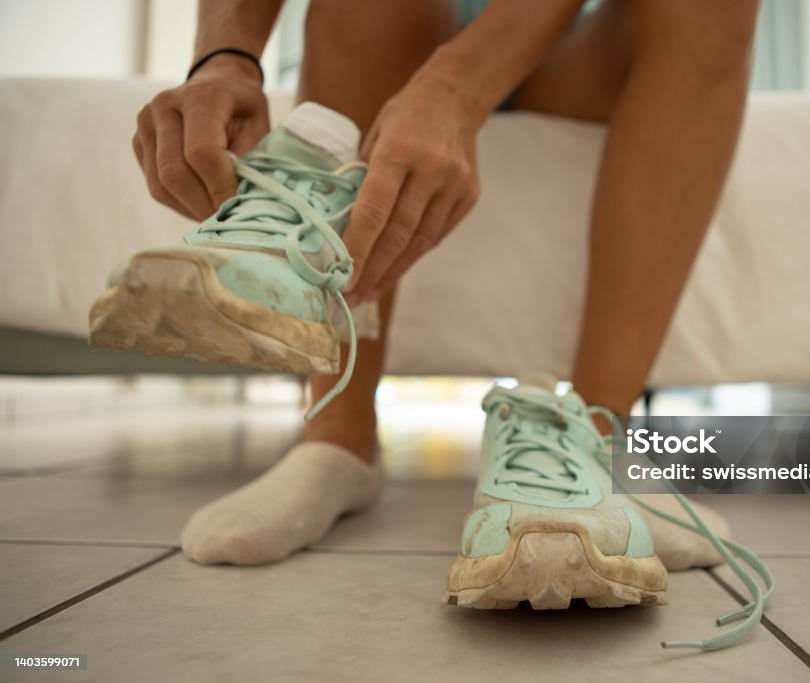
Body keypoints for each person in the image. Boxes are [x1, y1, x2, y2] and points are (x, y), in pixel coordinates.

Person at [91, 0, 769, 651]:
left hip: (570, 39)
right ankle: (336, 441)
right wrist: (224, 56)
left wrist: (456, 85)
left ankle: (586, 442)